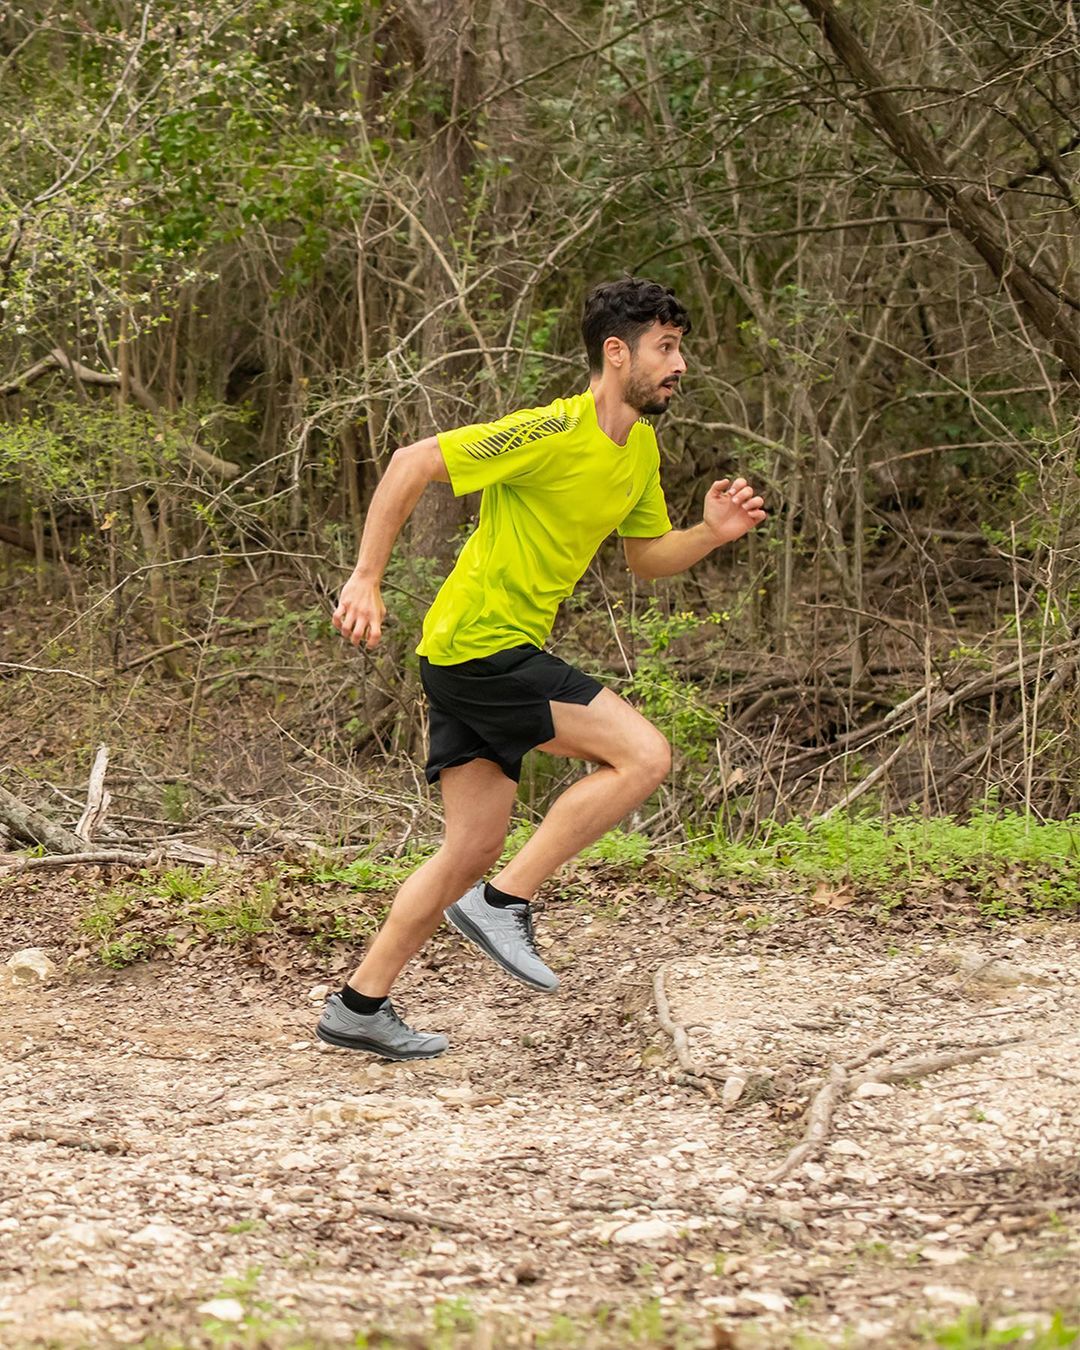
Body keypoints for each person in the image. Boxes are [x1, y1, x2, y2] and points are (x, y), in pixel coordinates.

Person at [316, 277, 766, 1059]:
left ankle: (359, 1006)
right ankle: (504, 904)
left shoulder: (642, 450)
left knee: (468, 847)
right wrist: (365, 577)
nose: (680, 364)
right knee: (644, 754)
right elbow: (411, 461)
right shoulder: (550, 431)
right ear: (616, 352)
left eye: (681, 347)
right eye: (666, 347)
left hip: (468, 653)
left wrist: (710, 532)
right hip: (479, 645)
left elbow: (646, 558)